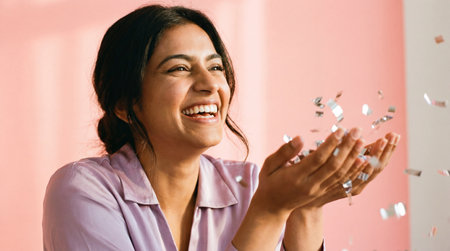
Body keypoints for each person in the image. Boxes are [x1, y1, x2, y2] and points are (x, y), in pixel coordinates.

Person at [42, 4, 400, 251]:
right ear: (124, 103)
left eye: (215, 67)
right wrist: (270, 212)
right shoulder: (84, 190)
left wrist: (306, 207)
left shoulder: (251, 186)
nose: (209, 84)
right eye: (179, 69)